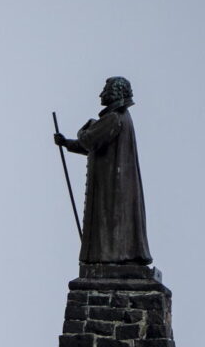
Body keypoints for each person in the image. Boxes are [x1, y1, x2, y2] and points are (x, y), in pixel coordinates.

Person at [55, 77, 150, 268]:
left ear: (116, 92)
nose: (101, 94)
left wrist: (86, 128)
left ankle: (113, 257)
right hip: (115, 182)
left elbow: (89, 140)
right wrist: (67, 143)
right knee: (114, 222)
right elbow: (94, 145)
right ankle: (117, 255)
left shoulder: (114, 118)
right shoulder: (122, 117)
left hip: (112, 184)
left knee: (111, 221)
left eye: (105, 90)